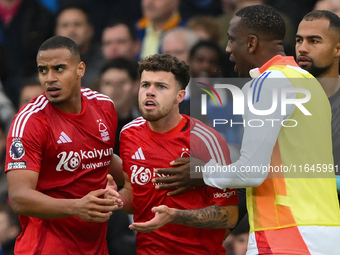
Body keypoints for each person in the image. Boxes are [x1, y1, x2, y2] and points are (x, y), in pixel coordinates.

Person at [154, 5, 340, 254]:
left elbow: (252, 172)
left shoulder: (266, 83)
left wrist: (203, 172)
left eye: (232, 40)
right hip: (328, 230)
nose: (228, 49)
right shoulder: (311, 84)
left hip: (285, 231)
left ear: (251, 43)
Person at [110, 53, 239, 254]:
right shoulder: (128, 133)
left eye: (161, 86)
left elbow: (229, 215)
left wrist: (176, 215)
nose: (150, 92)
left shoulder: (206, 140)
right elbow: (134, 196)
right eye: (145, 85)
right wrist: (115, 199)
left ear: (180, 96)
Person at [5, 36, 120, 255]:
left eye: (59, 69)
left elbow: (104, 156)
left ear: (80, 69)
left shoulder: (104, 106)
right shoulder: (29, 121)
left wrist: (147, 177)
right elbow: (19, 197)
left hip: (96, 247)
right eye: (43, 70)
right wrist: (77, 206)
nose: (49, 78)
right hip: (46, 248)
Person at [295, 10, 340, 200]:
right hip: (297, 219)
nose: (302, 49)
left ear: (337, 49)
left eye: (314, 41)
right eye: (299, 40)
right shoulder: (281, 101)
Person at [55, 2, 105, 88]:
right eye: (65, 25)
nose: (71, 30)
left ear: (90, 30)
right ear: (56, 32)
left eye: (77, 24)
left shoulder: (104, 62)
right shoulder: (46, 63)